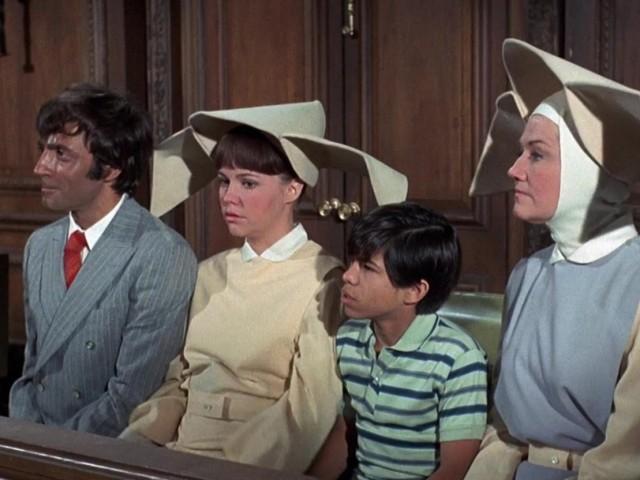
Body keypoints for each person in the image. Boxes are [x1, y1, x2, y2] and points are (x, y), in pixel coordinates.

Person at [122, 101, 409, 473]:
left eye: (248, 183)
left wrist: (228, 468)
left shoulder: (323, 279)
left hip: (252, 461)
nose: (229, 196)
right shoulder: (208, 272)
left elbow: (308, 409)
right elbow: (179, 380)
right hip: (178, 452)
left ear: (293, 189)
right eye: (224, 180)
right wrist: (137, 443)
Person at [465, 38, 640, 480]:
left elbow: (624, 461)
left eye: (537, 154)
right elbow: (504, 426)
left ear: (589, 170)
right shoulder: (527, 273)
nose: (514, 169)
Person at [9, 83, 198, 437]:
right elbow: (31, 373)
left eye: (60, 154)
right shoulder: (41, 245)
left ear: (110, 168)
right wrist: (24, 438)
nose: (40, 167)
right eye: (43, 150)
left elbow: (130, 399)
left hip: (100, 450)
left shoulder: (160, 254)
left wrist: (53, 447)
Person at [311, 202, 488, 480]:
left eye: (367, 267)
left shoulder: (458, 358)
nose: (348, 275)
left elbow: (453, 470)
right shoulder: (348, 339)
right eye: (352, 260)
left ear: (414, 291)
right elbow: (343, 433)